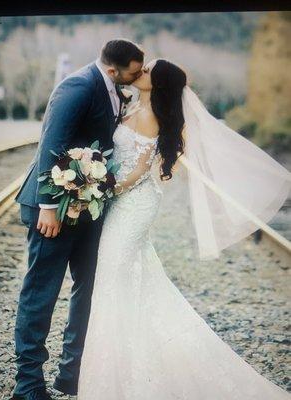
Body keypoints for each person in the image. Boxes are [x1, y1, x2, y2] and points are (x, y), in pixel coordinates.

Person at [77, 59, 291, 399]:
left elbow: (137, 174)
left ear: (158, 84)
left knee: (114, 277)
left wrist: (98, 186)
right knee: (127, 280)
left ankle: (126, 376)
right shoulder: (134, 105)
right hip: (122, 204)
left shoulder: (150, 118)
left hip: (134, 204)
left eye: (147, 71)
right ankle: (126, 365)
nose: (140, 71)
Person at [11, 39, 144, 400]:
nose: (139, 75)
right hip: (54, 210)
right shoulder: (78, 85)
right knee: (41, 293)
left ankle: (72, 375)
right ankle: (28, 385)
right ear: (114, 69)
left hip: (90, 208)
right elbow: (51, 143)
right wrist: (49, 207)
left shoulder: (115, 88)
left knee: (88, 288)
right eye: (135, 69)